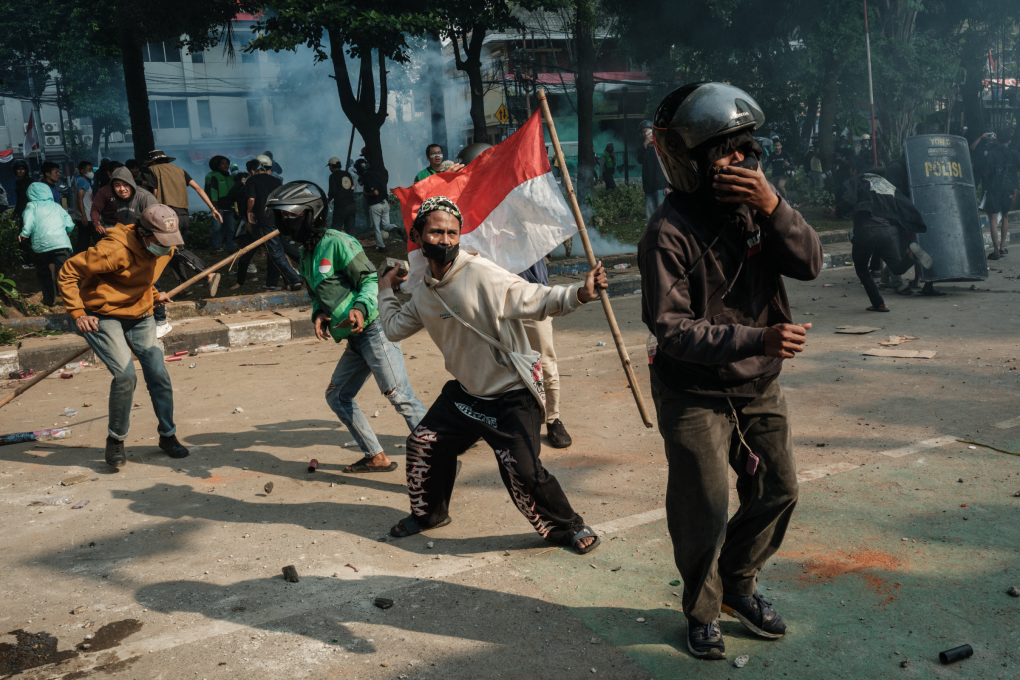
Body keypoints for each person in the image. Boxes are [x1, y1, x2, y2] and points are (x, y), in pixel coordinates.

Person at [638, 82, 824, 660]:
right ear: (690, 161)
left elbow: (811, 263)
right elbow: (673, 330)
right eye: (726, 150)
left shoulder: (759, 207)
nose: (742, 161)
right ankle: (701, 607)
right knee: (705, 507)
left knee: (779, 488)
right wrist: (760, 336)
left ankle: (737, 584)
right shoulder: (667, 233)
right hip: (691, 387)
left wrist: (773, 207)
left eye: (748, 148)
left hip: (757, 381)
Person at [377, 195, 607, 553]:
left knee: (524, 471)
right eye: (436, 232)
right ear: (417, 236)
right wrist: (384, 289)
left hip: (511, 394)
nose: (446, 240)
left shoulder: (481, 273)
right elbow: (392, 329)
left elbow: (533, 296)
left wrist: (578, 294)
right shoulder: (424, 293)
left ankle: (568, 527)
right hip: (467, 395)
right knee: (423, 444)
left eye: (453, 233)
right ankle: (430, 515)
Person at [267, 181, 428, 472]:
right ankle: (375, 456)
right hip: (354, 338)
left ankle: (439, 453)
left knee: (400, 396)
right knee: (337, 396)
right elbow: (318, 294)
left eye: (291, 216)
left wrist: (359, 308)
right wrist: (319, 314)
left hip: (375, 329)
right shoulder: (306, 254)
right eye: (282, 218)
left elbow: (369, 280)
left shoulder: (338, 242)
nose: (285, 224)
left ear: (311, 214)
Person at [58, 204, 190, 468]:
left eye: (170, 241)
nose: (166, 247)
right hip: (103, 314)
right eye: (161, 240)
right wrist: (78, 312)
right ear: (143, 233)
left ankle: (168, 436)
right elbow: (68, 272)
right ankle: (116, 440)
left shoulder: (166, 247)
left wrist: (154, 295)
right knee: (125, 375)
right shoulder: (112, 250)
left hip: (141, 314)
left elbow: (143, 277)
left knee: (158, 374)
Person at [838, 159, 932, 311]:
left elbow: (847, 200)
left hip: (865, 232)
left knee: (862, 270)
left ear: (857, 171)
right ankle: (910, 256)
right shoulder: (886, 185)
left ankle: (879, 304)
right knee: (896, 268)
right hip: (887, 231)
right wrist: (917, 222)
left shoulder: (856, 181)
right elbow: (904, 203)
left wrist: (837, 212)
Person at [143, 150, 221, 297]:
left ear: (152, 162)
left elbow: (153, 195)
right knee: (172, 252)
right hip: (184, 215)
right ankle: (182, 287)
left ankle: (207, 273)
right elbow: (198, 188)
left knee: (176, 250)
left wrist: (149, 217)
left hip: (167, 217)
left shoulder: (152, 170)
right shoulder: (180, 170)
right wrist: (212, 208)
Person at [108, 166, 172, 337]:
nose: (121, 189)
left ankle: (161, 321)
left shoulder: (145, 198)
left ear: (131, 183)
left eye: (124, 184)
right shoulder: (118, 201)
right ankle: (143, 317)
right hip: (130, 249)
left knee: (152, 281)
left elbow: (158, 223)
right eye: (117, 185)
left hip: (149, 248)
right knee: (135, 283)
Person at [517, 257, 572, 448]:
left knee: (545, 363)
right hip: (495, 300)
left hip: (534, 296)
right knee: (495, 363)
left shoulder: (529, 228)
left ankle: (553, 420)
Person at [244, 156, 302, 291]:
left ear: (252, 171)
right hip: (279, 218)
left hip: (266, 219)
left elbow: (251, 199)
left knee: (275, 251)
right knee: (277, 248)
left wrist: (249, 213)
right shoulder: (276, 180)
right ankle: (272, 283)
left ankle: (294, 279)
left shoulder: (252, 180)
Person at [19, 182, 75, 306]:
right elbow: (69, 223)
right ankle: (71, 300)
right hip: (61, 244)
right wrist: (67, 232)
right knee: (65, 272)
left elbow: (29, 221)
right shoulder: (57, 206)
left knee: (45, 272)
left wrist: (24, 233)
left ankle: (49, 299)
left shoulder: (32, 205)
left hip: (42, 245)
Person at [981, 129, 1019, 260]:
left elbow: (986, 173)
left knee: (993, 219)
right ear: (1009, 140)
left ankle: (996, 250)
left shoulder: (990, 154)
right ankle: (1003, 247)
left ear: (996, 139)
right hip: (1009, 189)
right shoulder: (1015, 154)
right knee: (1005, 216)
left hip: (994, 189)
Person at [637, 120, 669, 220]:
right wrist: (645, 145)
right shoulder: (643, 147)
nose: (645, 134)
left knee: (662, 214)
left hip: (661, 186)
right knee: (650, 216)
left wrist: (668, 186)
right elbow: (640, 160)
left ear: (653, 131)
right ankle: (652, 235)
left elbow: (667, 166)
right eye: (643, 132)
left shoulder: (660, 146)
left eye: (647, 131)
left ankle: (662, 234)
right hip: (648, 187)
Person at [203, 155, 236, 252]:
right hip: (219, 208)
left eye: (227, 164)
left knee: (230, 229)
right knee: (217, 227)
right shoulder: (214, 177)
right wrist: (214, 206)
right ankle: (215, 246)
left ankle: (230, 248)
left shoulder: (231, 177)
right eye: (223, 164)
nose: (225, 166)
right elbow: (214, 192)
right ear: (218, 166)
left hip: (230, 207)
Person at [362, 164, 395, 252]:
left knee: (376, 227)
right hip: (384, 203)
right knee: (386, 225)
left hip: (375, 205)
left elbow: (375, 192)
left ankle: (381, 247)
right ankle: (397, 228)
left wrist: (366, 194)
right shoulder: (376, 175)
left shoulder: (367, 177)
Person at [71, 161, 98, 253]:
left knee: (83, 242)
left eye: (92, 169)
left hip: (84, 217)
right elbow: (79, 199)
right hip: (87, 217)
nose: (91, 171)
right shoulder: (83, 181)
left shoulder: (81, 181)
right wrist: (84, 215)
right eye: (89, 169)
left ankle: (80, 261)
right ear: (82, 171)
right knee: (99, 240)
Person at [326, 156, 357, 234]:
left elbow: (332, 193)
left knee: (336, 227)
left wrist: (328, 201)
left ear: (332, 165)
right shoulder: (347, 174)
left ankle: (337, 244)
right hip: (352, 204)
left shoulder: (333, 176)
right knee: (350, 229)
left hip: (341, 206)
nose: (329, 167)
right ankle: (351, 245)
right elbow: (352, 188)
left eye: (329, 165)